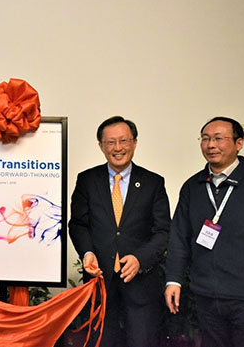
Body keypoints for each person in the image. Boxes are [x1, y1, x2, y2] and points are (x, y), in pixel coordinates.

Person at [165, 117, 244, 347]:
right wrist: (173, 280)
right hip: (206, 297)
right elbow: (178, 238)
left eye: (219, 138)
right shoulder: (193, 187)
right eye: (205, 139)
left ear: (239, 143)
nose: (211, 145)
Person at [68, 116, 170, 347]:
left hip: (141, 283)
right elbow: (78, 224)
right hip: (100, 281)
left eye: (123, 141)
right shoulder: (87, 180)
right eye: (110, 142)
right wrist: (87, 253)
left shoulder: (153, 182)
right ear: (101, 146)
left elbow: (163, 231)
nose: (117, 148)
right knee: (102, 341)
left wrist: (140, 259)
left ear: (134, 143)